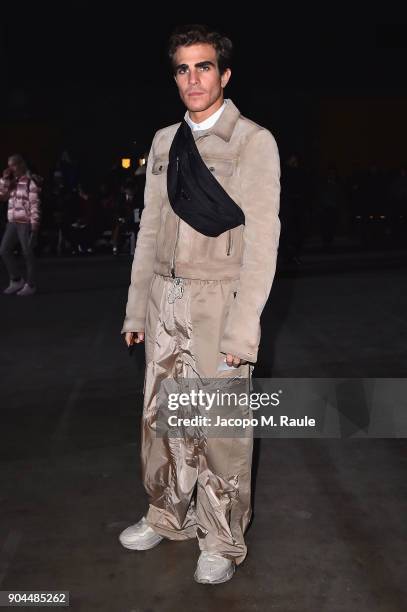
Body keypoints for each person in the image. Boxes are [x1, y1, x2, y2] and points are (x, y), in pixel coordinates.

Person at [119, 24, 281, 584]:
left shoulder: (252, 141)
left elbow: (263, 244)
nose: (193, 78)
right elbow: (149, 231)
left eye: (204, 66)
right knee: (162, 418)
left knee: (219, 428)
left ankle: (221, 537)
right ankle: (167, 514)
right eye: (183, 68)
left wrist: (244, 330)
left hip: (220, 300)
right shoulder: (165, 142)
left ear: (225, 74)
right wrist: (137, 309)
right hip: (166, 298)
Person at [0, 154, 42, 296]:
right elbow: (2, 196)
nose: (11, 168)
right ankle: (16, 280)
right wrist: (4, 179)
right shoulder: (13, 181)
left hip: (25, 222)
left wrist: (34, 228)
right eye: (9, 165)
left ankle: (31, 284)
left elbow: (35, 205)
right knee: (4, 250)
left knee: (27, 253)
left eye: (14, 165)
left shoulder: (31, 181)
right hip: (12, 221)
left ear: (21, 164)